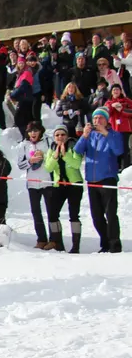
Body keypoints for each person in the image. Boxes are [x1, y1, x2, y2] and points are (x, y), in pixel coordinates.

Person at [74, 108, 124, 253]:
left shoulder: (114, 134)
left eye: (101, 118)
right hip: (92, 179)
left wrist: (106, 134)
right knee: (96, 216)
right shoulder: (90, 136)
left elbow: (119, 150)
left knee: (110, 213)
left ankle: (115, 245)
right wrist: (84, 135)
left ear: (106, 120)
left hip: (108, 178)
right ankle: (105, 242)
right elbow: (77, 151)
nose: (97, 121)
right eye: (95, 119)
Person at [43, 125, 84, 253]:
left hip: (74, 184)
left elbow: (76, 164)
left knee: (73, 214)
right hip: (58, 185)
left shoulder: (73, 146)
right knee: (52, 214)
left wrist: (65, 155)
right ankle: (58, 243)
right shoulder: (52, 148)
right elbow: (48, 168)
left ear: (67, 136)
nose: (60, 137)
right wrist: (55, 156)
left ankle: (75, 245)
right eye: (57, 135)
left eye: (62, 134)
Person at [18, 121, 54, 249]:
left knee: (51, 211)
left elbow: (54, 158)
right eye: (30, 131)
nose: (33, 133)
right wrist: (30, 161)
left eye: (36, 130)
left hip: (47, 181)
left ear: (40, 131)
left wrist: (44, 158)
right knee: (36, 212)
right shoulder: (24, 145)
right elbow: (20, 164)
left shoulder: (48, 141)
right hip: (32, 183)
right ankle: (41, 239)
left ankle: (54, 239)